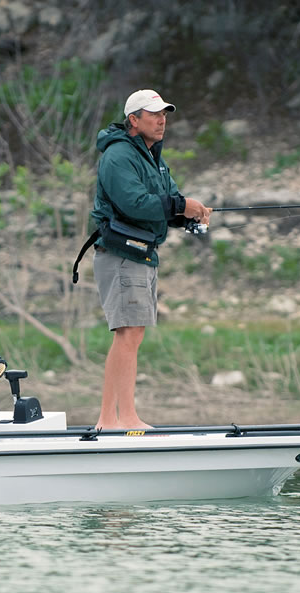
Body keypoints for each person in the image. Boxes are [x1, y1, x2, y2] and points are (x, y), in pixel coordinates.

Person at [90, 89, 212, 430]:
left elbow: (167, 201)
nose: (162, 120)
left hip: (141, 254)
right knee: (128, 335)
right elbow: (135, 203)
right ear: (133, 119)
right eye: (154, 114)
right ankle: (121, 419)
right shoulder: (118, 156)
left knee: (131, 336)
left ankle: (109, 419)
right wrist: (180, 205)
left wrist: (190, 216)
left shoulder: (151, 156)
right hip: (121, 255)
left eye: (164, 114)